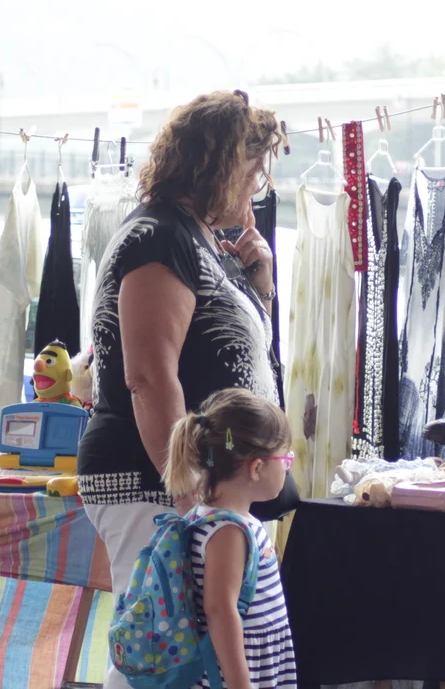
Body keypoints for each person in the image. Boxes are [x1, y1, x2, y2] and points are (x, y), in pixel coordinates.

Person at [76, 90, 299, 689]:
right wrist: (189, 497)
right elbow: (149, 377)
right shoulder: (160, 238)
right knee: (163, 653)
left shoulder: (194, 239)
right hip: (151, 481)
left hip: (184, 484)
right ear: (217, 165)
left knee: (181, 651)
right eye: (251, 171)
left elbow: (244, 352)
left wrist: (259, 281)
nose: (256, 187)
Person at [164, 388, 296, 689]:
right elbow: (220, 611)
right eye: (285, 459)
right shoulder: (228, 531)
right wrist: (240, 684)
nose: (287, 467)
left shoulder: (213, 517)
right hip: (237, 672)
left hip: (251, 659)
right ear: (257, 467)